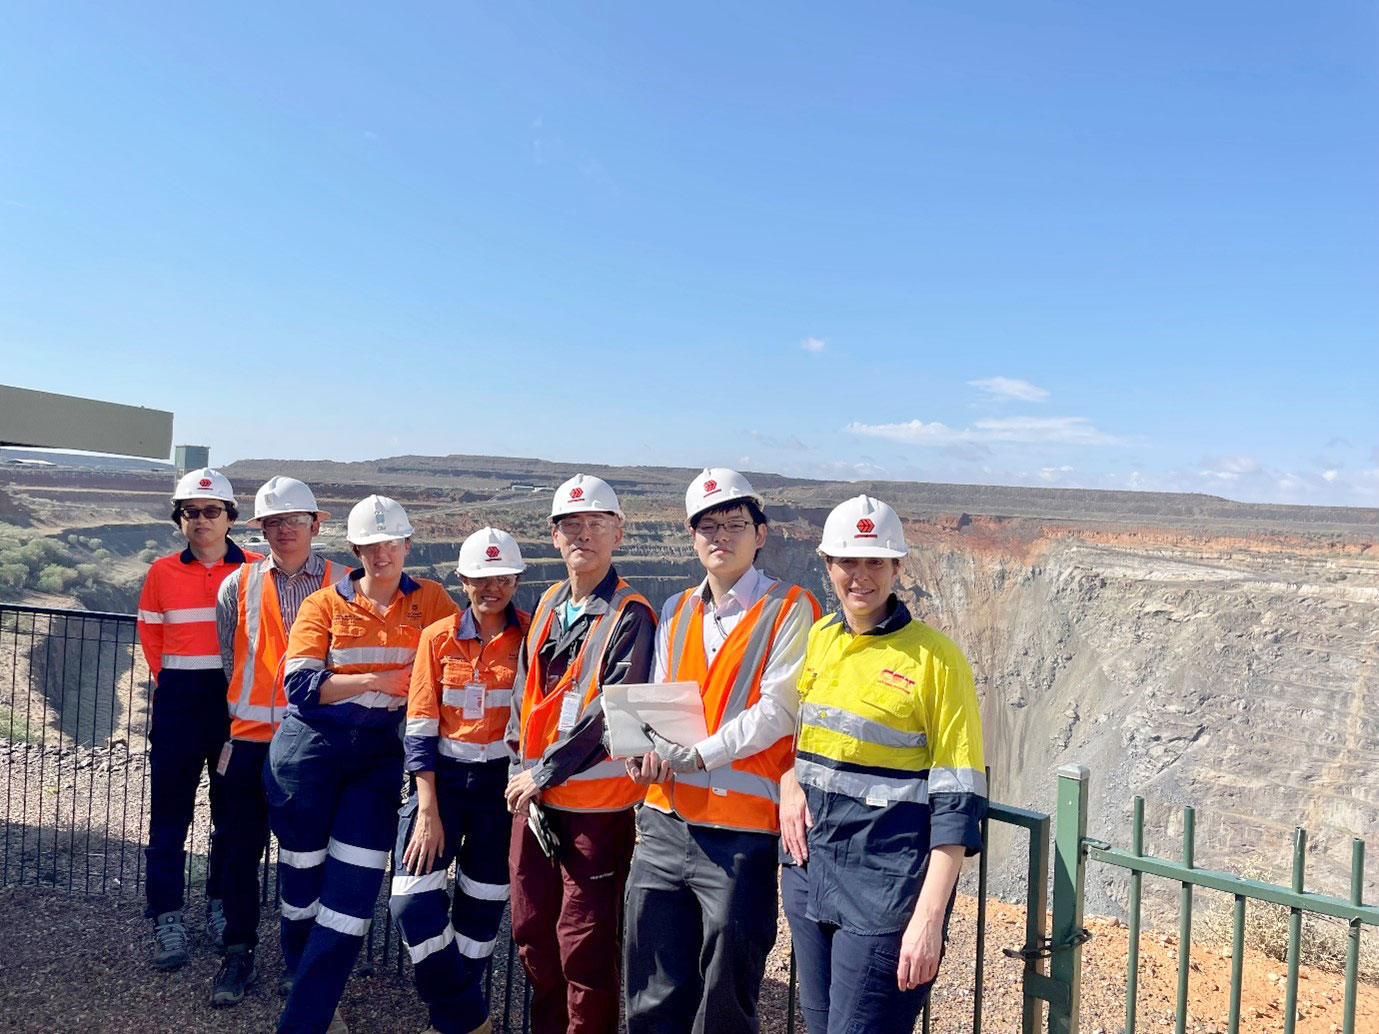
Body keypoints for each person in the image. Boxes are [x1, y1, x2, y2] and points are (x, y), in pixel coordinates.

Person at [780, 495, 986, 1034]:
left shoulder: (938, 661)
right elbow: (804, 742)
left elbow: (958, 801)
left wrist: (928, 920)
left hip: (885, 893)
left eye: (876, 562)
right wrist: (787, 781)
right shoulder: (820, 639)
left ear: (898, 567)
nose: (861, 576)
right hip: (810, 877)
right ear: (827, 565)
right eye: (848, 560)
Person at [623, 468, 820, 1034]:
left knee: (725, 999)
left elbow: (776, 711)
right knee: (651, 992)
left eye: (735, 523)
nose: (721, 536)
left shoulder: (790, 608)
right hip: (663, 824)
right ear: (691, 537)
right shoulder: (678, 610)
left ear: (760, 534)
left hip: (740, 834)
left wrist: (695, 756)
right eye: (708, 526)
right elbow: (659, 702)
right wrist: (645, 752)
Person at [265, 495, 458, 1034]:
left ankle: (307, 1018)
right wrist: (377, 682)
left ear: (407, 546)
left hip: (377, 758)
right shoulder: (324, 605)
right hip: (310, 754)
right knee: (301, 883)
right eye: (372, 546)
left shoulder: (435, 601)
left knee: (350, 895)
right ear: (355, 550)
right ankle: (298, 972)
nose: (383, 554)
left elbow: (465, 649)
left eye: (392, 543)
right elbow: (302, 688)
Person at [504, 474, 657, 1034]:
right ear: (554, 535)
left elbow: (609, 717)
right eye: (572, 524)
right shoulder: (547, 603)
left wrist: (541, 773)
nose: (584, 535)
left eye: (596, 524)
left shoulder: (631, 615)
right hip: (537, 803)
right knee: (531, 932)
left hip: (596, 810)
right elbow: (526, 696)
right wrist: (521, 764)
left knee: (584, 945)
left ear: (617, 532)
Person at [211, 477, 348, 1007]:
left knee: (308, 855)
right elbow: (230, 659)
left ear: (315, 525)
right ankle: (238, 950)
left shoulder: (345, 582)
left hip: (317, 741)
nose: (284, 530)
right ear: (261, 529)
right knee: (240, 852)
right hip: (250, 741)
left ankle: (304, 959)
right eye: (273, 522)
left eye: (293, 521)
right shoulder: (236, 585)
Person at [390, 528, 531, 1034]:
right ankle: (468, 1016)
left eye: (501, 578)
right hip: (443, 786)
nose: (490, 587)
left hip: (501, 789)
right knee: (409, 897)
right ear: (462, 580)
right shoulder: (438, 636)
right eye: (478, 578)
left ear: (515, 579)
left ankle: (451, 1026)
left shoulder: (532, 636)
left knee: (480, 911)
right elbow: (421, 724)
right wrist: (426, 807)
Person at [137, 468, 261, 970]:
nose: (202, 520)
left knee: (232, 819)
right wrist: (175, 687)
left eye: (212, 511)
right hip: (180, 706)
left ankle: (221, 906)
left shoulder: (257, 568)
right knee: (169, 817)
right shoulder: (161, 573)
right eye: (191, 512)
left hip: (235, 711)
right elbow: (151, 639)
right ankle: (166, 915)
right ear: (180, 519)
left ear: (230, 518)